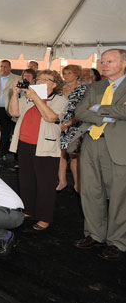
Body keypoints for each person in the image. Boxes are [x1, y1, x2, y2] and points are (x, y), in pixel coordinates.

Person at [71, 48, 126, 261]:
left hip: (118, 148)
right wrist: (109, 113)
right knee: (90, 192)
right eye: (102, 61)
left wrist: (98, 108)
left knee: (120, 197)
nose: (104, 65)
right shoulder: (96, 86)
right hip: (91, 144)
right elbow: (80, 112)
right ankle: (94, 234)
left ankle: (117, 242)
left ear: (123, 63)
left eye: (110, 61)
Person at [8, 69, 67, 231]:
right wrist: (15, 93)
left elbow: (51, 117)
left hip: (45, 146)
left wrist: (36, 98)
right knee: (26, 180)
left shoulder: (60, 99)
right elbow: (13, 112)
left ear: (54, 84)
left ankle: (44, 217)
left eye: (44, 79)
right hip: (24, 143)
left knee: (45, 183)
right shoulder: (28, 96)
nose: (39, 81)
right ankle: (28, 209)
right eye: (38, 78)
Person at [58, 64, 87, 193]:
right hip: (59, 123)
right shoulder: (59, 88)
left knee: (74, 155)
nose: (66, 76)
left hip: (76, 124)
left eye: (69, 73)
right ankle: (62, 181)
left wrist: (70, 122)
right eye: (64, 73)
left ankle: (77, 184)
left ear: (76, 74)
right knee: (60, 154)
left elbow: (84, 110)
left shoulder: (83, 89)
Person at [0, 60, 22, 160]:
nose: (3, 69)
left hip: (8, 110)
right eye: (1, 66)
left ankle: (2, 153)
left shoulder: (18, 78)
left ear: (10, 68)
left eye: (6, 67)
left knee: (5, 132)